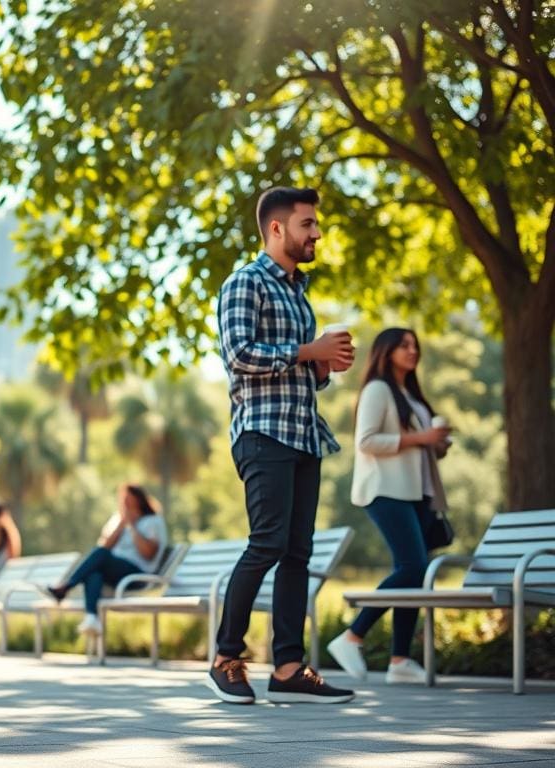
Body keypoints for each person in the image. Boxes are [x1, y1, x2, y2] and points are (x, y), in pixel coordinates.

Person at [209, 186, 356, 706]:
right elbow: (239, 355)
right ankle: (226, 657)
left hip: (304, 435)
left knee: (298, 553)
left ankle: (289, 668)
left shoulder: (299, 293)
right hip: (262, 433)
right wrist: (305, 350)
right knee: (267, 544)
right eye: (308, 224)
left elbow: (305, 379)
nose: (317, 233)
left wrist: (322, 366)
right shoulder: (244, 283)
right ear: (277, 228)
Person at [327, 328, 451, 684]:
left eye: (415, 346)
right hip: (385, 490)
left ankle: (399, 661)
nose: (413, 351)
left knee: (411, 572)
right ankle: (352, 636)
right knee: (414, 566)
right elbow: (366, 442)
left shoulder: (411, 395)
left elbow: (422, 446)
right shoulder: (377, 389)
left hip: (419, 493)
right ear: (386, 351)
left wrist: (438, 442)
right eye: (404, 345)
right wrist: (419, 438)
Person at [48, 484, 167, 635]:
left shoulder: (152, 521)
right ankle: (91, 618)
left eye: (129, 500)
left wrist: (133, 526)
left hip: (138, 573)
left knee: (100, 555)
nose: (125, 504)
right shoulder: (118, 519)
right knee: (93, 573)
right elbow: (105, 546)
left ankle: (66, 587)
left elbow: (148, 554)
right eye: (123, 500)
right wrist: (123, 523)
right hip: (115, 573)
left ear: (139, 500)